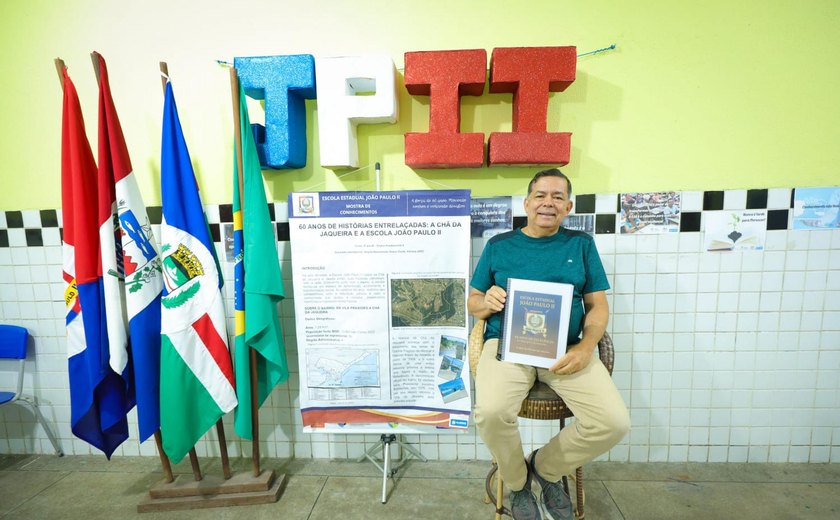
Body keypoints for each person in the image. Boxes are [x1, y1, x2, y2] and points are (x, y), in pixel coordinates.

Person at [469, 168, 630, 520]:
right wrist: (488, 302)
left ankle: (544, 467)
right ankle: (517, 483)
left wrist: (587, 346)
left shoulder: (581, 245)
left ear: (568, 206)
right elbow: (474, 301)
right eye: (541, 195)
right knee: (491, 412)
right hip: (509, 349)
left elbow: (598, 306)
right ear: (527, 202)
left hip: (566, 350)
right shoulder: (499, 246)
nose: (548, 203)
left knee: (613, 422)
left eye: (558, 197)